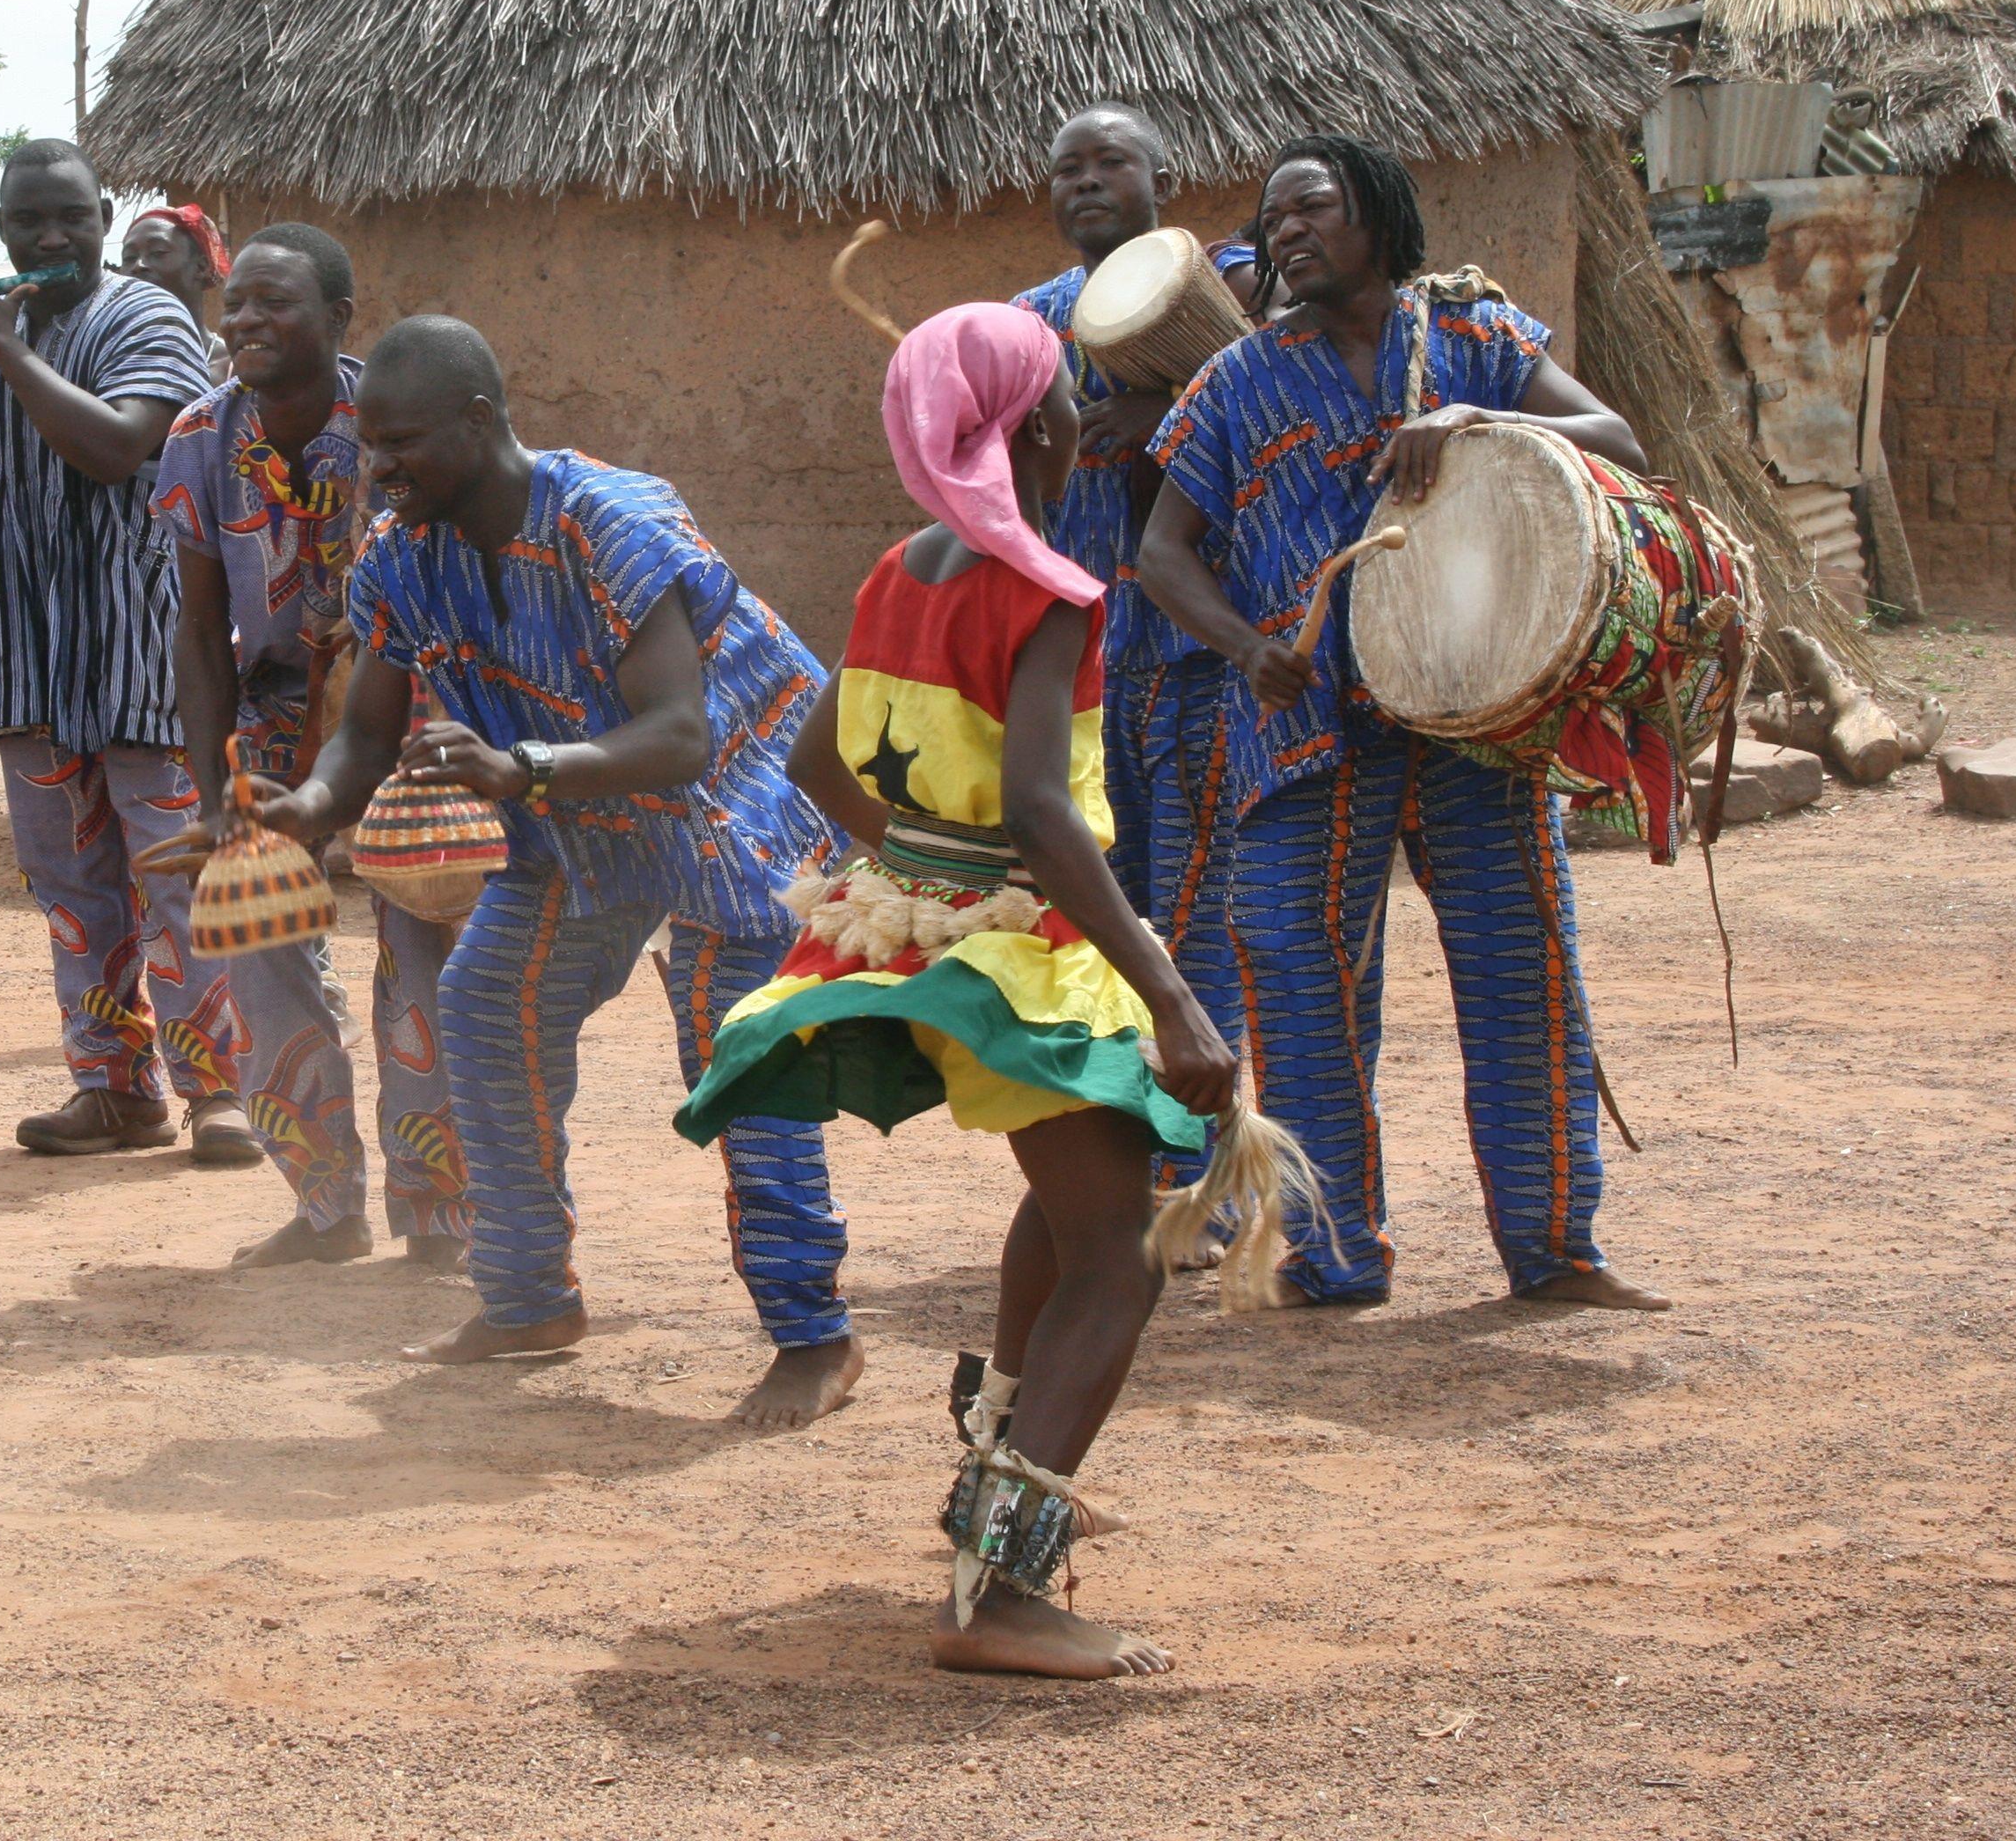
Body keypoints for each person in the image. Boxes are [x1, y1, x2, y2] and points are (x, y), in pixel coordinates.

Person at [679, 301, 1248, 1677]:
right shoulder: (1048, 588)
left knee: (1071, 1217)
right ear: (1038, 422)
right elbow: (1051, 814)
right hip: (1027, 950)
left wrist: (925, 871)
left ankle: (998, 1481)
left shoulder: (897, 573)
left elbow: (817, 764)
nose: (1075, 417)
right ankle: (1002, 1588)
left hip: (932, 934)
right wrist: (1167, 991)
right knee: (1118, 1256)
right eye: (1065, 396)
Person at [246, 315, 862, 1427]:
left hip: (738, 810)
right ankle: (529, 1300)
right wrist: (311, 806)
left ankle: (813, 1337)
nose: (379, 471)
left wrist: (520, 766)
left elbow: (682, 735)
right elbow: (368, 734)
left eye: (402, 444)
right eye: (369, 446)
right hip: (570, 818)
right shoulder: (403, 553)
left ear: (481, 423)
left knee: (740, 1052)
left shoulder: (606, 521)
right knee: (488, 1009)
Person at [1137, 134, 1669, 1311]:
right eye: (1271, 219)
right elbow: (1160, 553)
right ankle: (1336, 1257)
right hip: (1307, 726)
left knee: (1521, 975)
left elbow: (1619, 446)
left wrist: (1481, 424)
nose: (1286, 230)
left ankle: (1555, 1251)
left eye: (1311, 207)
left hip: (1475, 718)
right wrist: (1247, 647)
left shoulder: (1475, 339)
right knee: (1294, 978)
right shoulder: (1236, 384)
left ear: (1378, 214)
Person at [0, 144, 260, 1167]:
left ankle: (215, 1091)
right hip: (27, 660)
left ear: (101, 215)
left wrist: (3, 349)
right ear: (0, 227)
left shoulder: (146, 316)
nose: (49, 239)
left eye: (68, 218)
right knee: (71, 884)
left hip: (142, 653)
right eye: (26, 222)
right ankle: (110, 1089)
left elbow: (116, 447)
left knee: (176, 874)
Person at [143, 225, 469, 1268]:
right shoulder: (200, 434)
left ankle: (441, 1209)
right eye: (235, 304)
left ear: (338, 320)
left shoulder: (390, 421)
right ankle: (327, 1206)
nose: (245, 322)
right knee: (261, 942)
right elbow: (199, 627)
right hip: (273, 717)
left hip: (405, 706)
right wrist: (212, 785)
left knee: (421, 943)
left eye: (274, 304)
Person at [1011, 107, 1252, 1242]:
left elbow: (1281, 405)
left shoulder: (1237, 294)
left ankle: (1206, 1187)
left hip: (1205, 665)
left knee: (1207, 925)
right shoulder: (1028, 328)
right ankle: (1134, 1179)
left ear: (1164, 177)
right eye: (1068, 169)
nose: (1089, 181)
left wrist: (1167, 408)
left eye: (1113, 161)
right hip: (1087, 673)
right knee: (1112, 929)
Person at [120, 203, 228, 343]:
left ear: (201, 267)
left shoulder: (233, 363)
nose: (138, 265)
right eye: (129, 257)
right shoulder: (104, 359)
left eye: (158, 252)